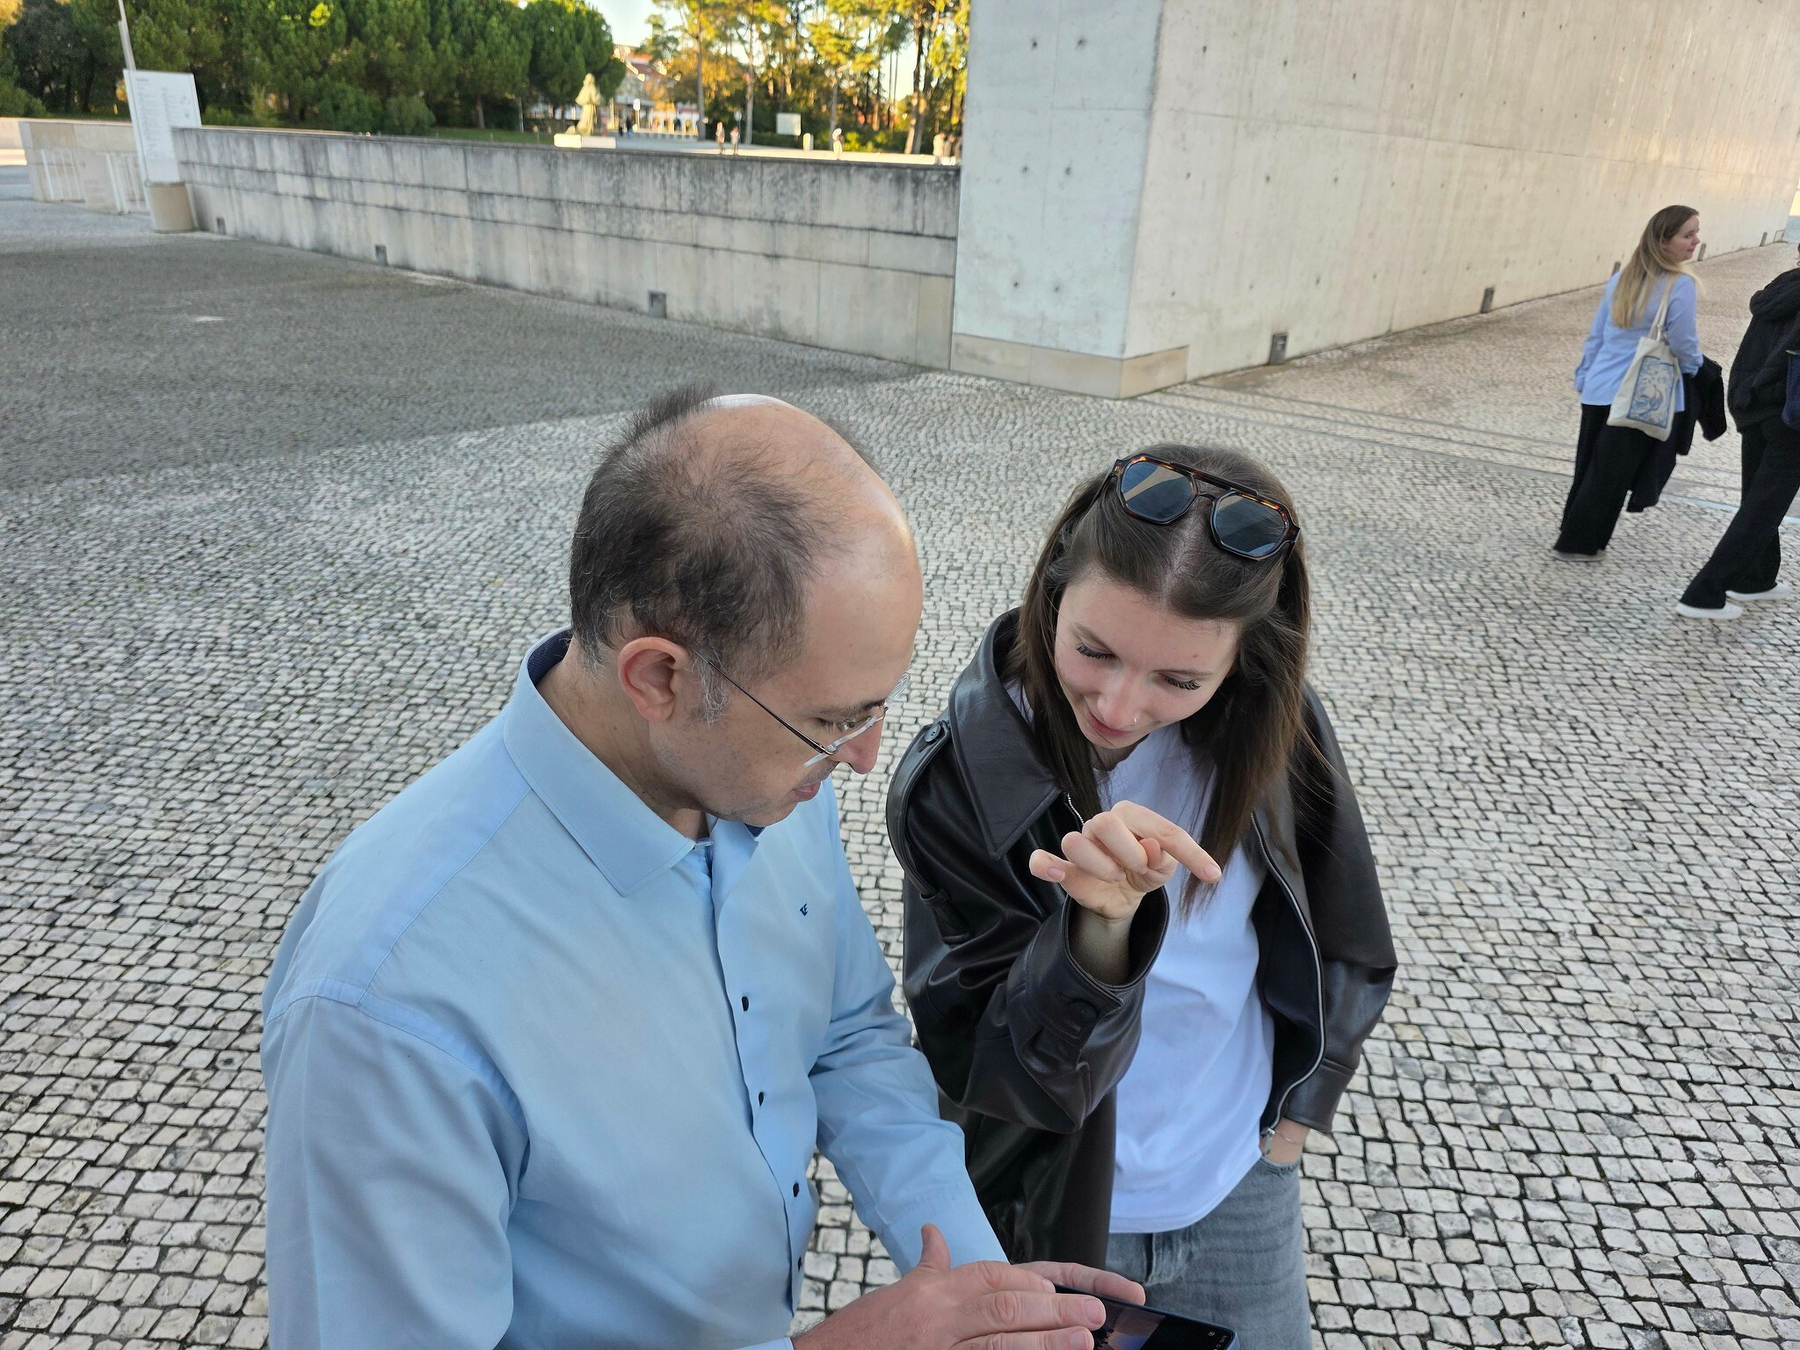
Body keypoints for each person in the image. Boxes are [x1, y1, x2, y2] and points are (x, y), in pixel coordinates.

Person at [259, 388, 1141, 1350]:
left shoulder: (759, 776)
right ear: (660, 678)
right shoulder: (386, 1003)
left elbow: (847, 1036)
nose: (863, 757)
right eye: (834, 720)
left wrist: (982, 1293)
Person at [889, 444, 1398, 1349]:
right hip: (1061, 1211)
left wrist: (1294, 1120)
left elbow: (1347, 927)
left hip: (1240, 1183)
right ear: (1053, 589)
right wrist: (1100, 936)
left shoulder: (1279, 733)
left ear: (1244, 662)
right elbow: (992, 1070)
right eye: (1094, 651)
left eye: (1180, 680)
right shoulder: (963, 776)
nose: (1120, 708)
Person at [1555, 205, 1705, 559]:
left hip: (1599, 388)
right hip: (1639, 393)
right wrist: (1697, 367)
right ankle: (1577, 544)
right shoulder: (1680, 285)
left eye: (1696, 233)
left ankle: (1573, 531)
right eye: (1688, 235)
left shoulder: (1620, 279)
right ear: (1664, 241)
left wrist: (1584, 375)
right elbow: (1684, 343)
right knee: (1612, 475)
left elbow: (1597, 336)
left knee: (1589, 466)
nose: (1696, 241)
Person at [1676, 248, 1800, 619]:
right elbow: (1784, 355)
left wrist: (1749, 391)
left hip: (1756, 405)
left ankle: (1756, 579)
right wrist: (1765, 384)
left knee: (1758, 501)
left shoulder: (1783, 286)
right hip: (1789, 414)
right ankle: (1704, 594)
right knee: (1764, 508)